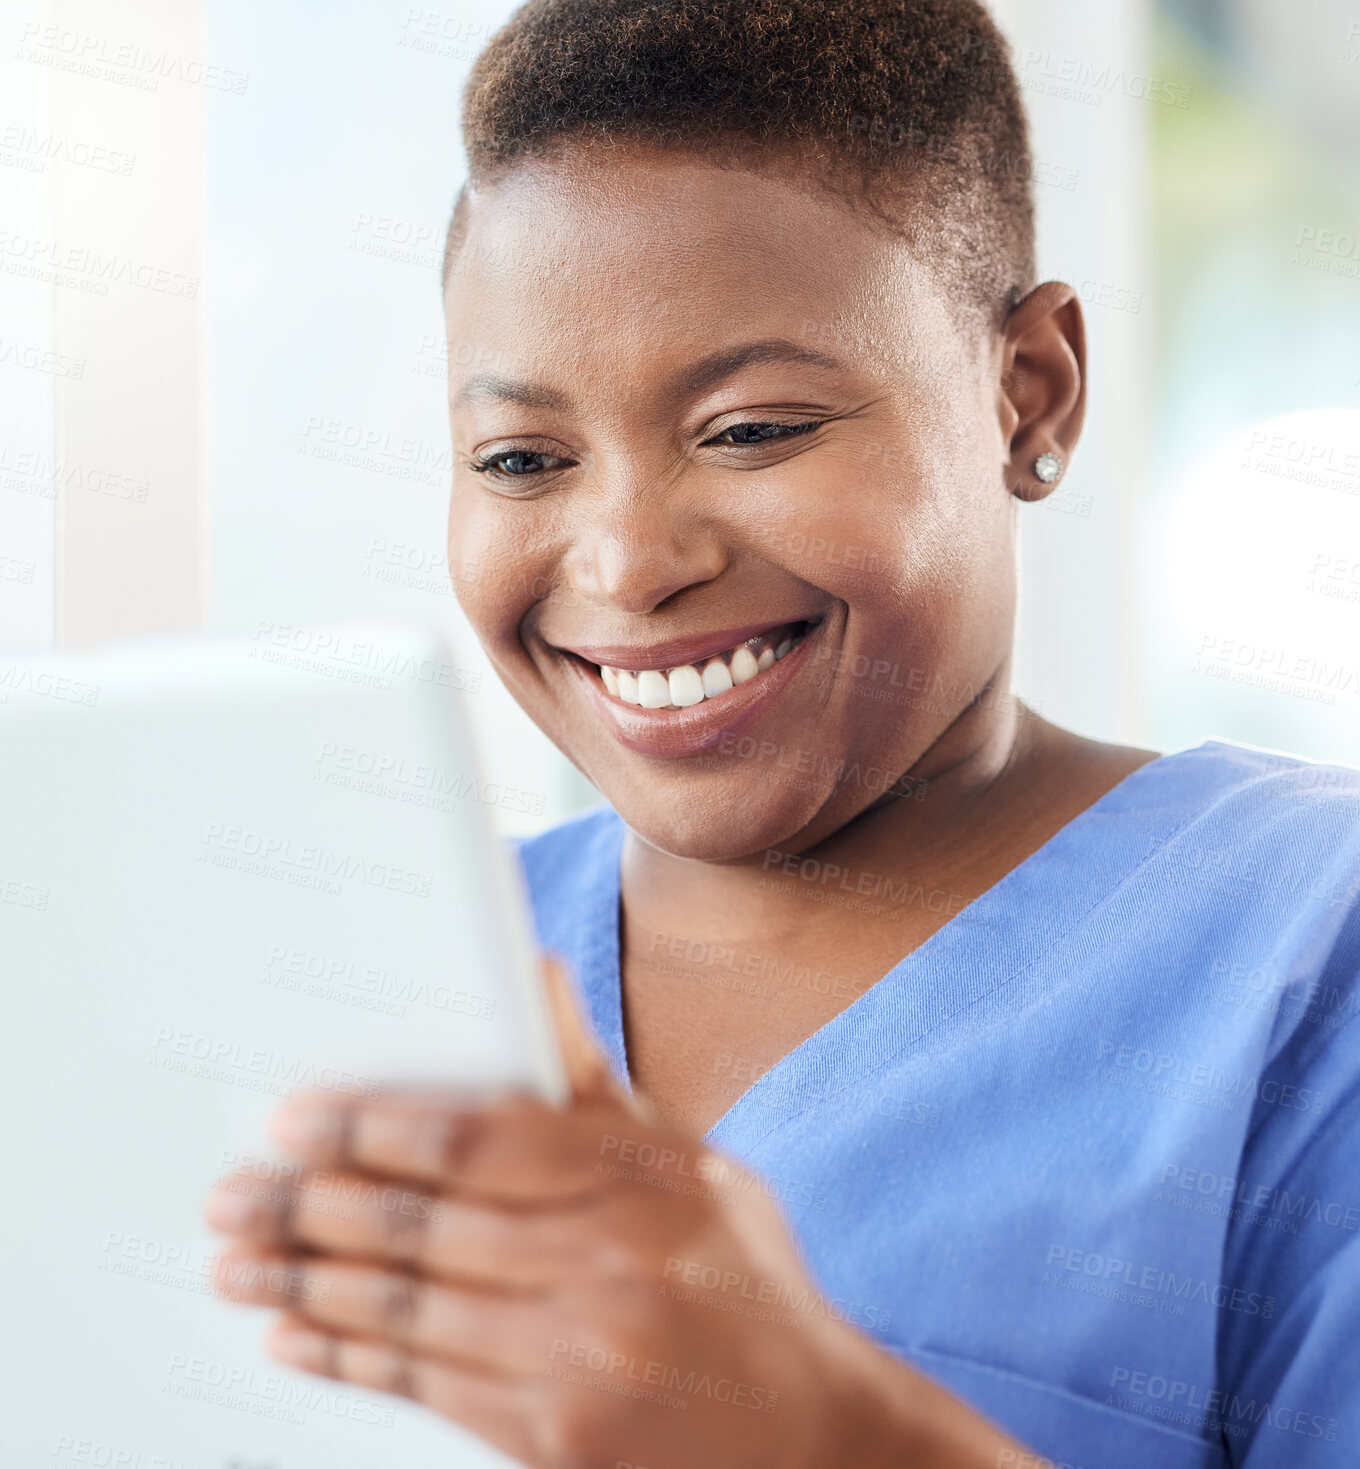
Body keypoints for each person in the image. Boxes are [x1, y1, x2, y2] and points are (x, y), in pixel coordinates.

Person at [204, 1, 1360, 1464]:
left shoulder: (1304, 942)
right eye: (521, 459)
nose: (626, 562)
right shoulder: (391, 967)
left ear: (1029, 391)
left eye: (751, 429)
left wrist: (831, 1429)